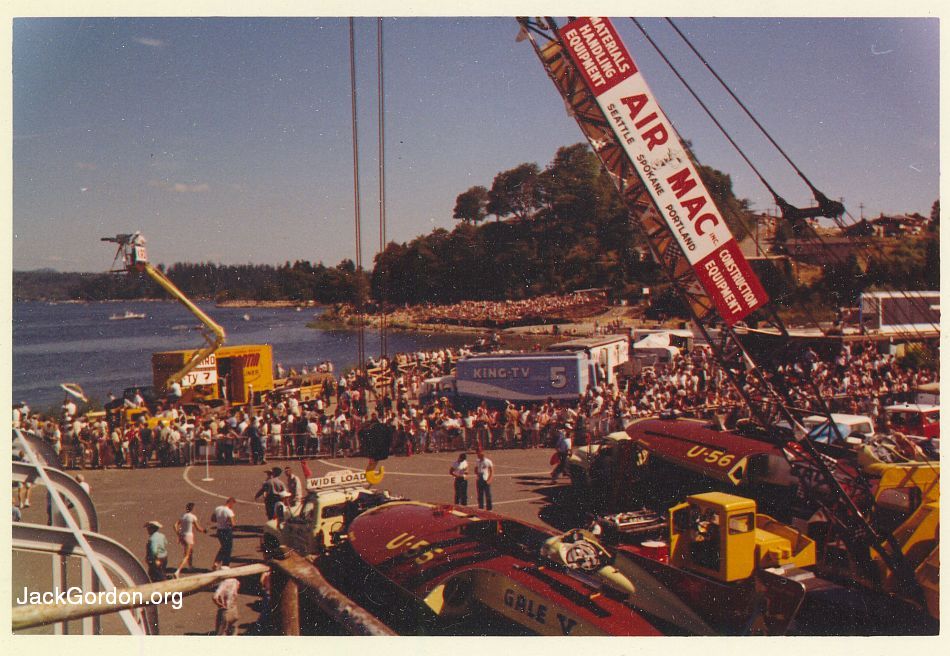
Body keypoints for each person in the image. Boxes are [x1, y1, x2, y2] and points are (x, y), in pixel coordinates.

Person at [173, 502, 207, 578]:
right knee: (187, 555)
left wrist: (178, 533)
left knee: (190, 551)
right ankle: (177, 571)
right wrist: (204, 530)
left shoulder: (183, 516)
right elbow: (198, 528)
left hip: (182, 536)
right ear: (193, 509)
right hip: (189, 536)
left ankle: (190, 566)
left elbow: (175, 525)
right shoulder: (193, 517)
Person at [212, 565, 241, 635]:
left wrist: (220, 604)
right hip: (234, 608)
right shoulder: (235, 581)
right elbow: (238, 586)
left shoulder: (223, 584)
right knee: (232, 629)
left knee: (221, 631)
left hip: (225, 610)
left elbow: (214, 597)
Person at [211, 497, 237, 568]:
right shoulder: (229, 511)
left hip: (219, 530)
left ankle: (216, 563)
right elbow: (233, 523)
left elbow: (213, 519)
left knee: (223, 547)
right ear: (231, 503)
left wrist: (220, 520)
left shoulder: (218, 508)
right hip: (227, 531)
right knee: (228, 549)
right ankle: (225, 565)